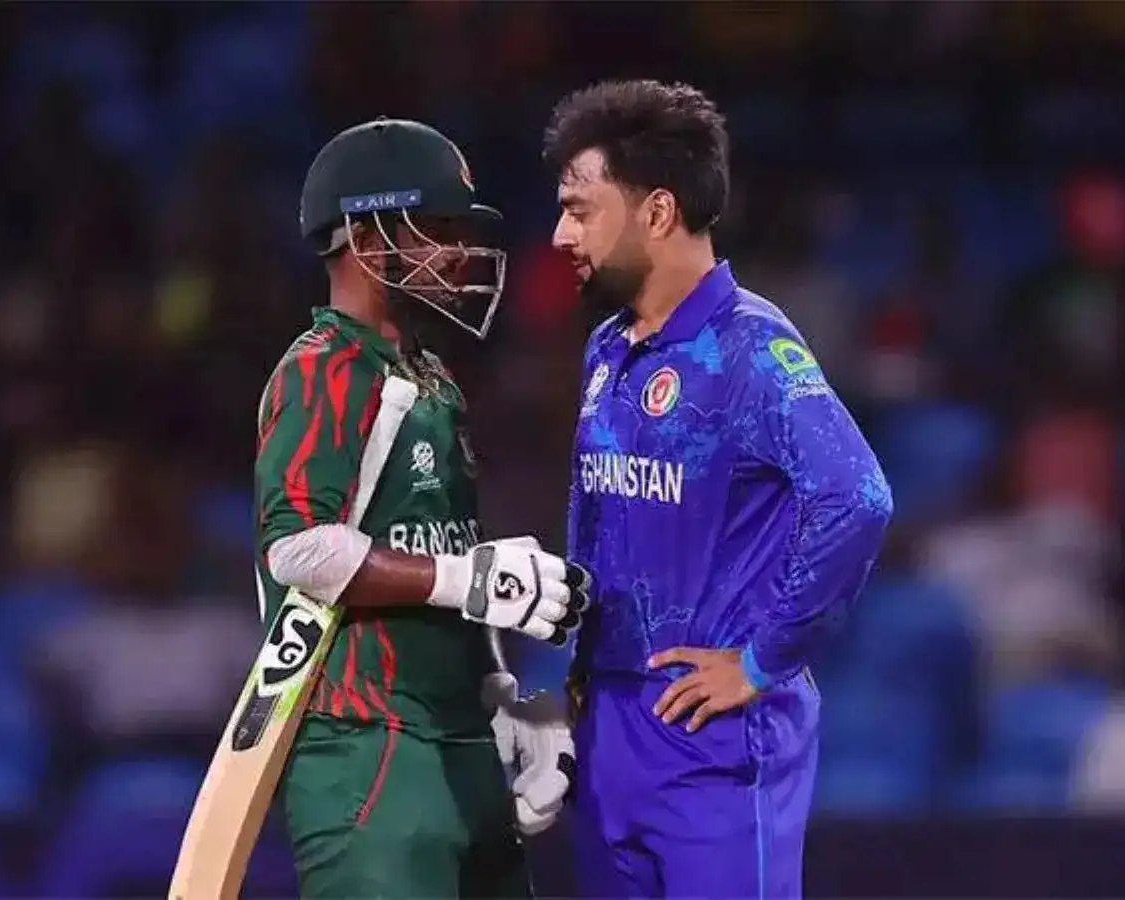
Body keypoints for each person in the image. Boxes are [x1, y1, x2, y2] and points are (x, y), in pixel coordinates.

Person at [545, 80, 894, 898]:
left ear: (658, 211)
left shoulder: (752, 349)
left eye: (580, 209)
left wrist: (765, 659)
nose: (561, 234)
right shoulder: (607, 347)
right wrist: (577, 670)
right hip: (609, 726)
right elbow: (597, 512)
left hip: (714, 733)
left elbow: (857, 498)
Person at [259, 116, 588, 898]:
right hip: (366, 749)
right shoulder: (322, 369)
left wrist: (503, 698)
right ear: (368, 238)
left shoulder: (432, 378)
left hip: (458, 740)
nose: (458, 251)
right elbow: (299, 549)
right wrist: (466, 581)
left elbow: (449, 556)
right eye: (436, 228)